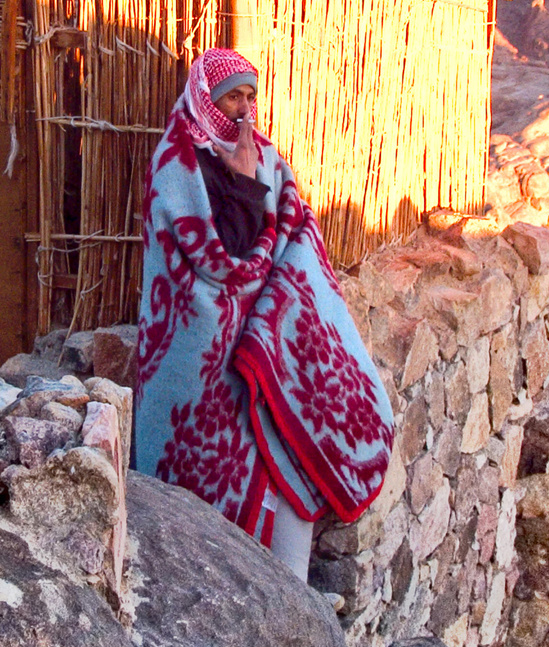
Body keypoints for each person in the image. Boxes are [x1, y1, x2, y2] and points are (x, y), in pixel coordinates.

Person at [134, 47, 394, 581]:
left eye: (252, 96)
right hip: (200, 366)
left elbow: (295, 237)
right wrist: (246, 184)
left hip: (260, 354)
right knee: (201, 510)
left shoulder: (267, 160)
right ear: (207, 98)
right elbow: (218, 264)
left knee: (286, 472)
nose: (244, 110)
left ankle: (287, 616)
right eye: (233, 96)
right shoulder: (177, 165)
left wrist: (254, 182)